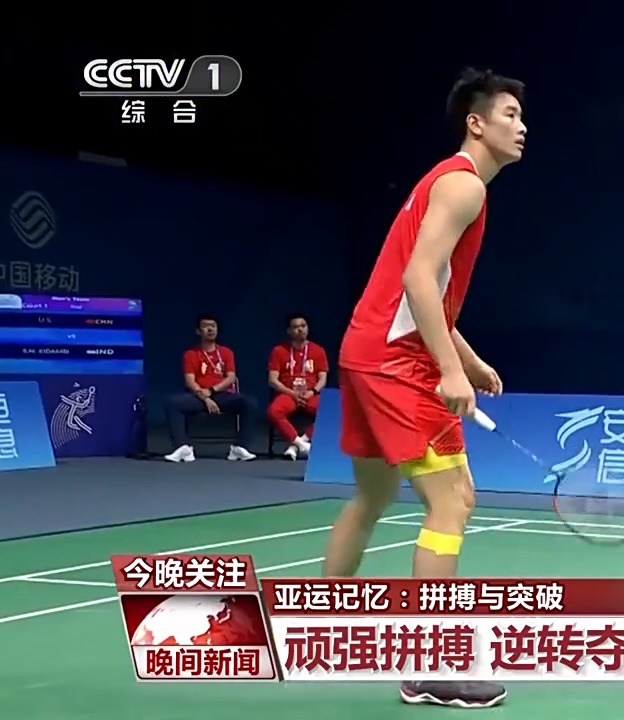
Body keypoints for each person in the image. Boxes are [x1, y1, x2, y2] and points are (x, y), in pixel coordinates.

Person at [327, 67, 521, 708]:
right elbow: (417, 279)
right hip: (396, 364)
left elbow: (425, 291)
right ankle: (431, 666)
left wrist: (469, 358)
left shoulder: (443, 181)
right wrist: (448, 371)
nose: (521, 127)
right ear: (476, 123)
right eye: (510, 115)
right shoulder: (464, 186)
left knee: (371, 497)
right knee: (454, 500)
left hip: (364, 350)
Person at [164, 315, 258, 462]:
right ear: (198, 331)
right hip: (198, 396)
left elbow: (231, 378)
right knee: (172, 403)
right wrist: (206, 398)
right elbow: (190, 381)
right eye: (206, 326)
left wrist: (212, 391)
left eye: (213, 326)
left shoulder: (226, 352)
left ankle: (239, 448)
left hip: (222, 395)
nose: (210, 329)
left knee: (249, 403)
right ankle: (183, 448)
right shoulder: (191, 354)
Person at [266, 313, 329, 460]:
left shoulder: (318, 350)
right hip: (288, 393)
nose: (300, 330)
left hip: (310, 394)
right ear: (289, 331)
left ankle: (297, 444)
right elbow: (272, 381)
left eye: (303, 326)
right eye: (295, 327)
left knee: (332, 412)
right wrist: (292, 393)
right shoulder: (279, 350)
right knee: (273, 412)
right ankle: (301, 444)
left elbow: (323, 379)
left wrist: (312, 392)